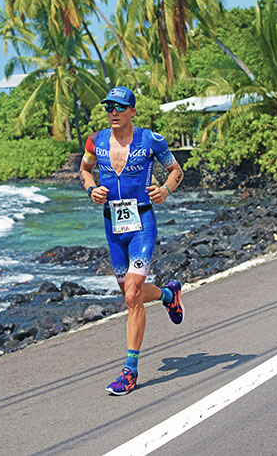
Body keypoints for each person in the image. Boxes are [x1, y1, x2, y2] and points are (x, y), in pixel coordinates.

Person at [80, 86, 185, 395]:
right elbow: (85, 170)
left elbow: (175, 170)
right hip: (113, 225)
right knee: (129, 293)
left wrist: (165, 190)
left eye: (120, 107)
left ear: (132, 111)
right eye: (109, 107)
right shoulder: (95, 141)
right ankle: (169, 295)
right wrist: (91, 189)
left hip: (142, 223)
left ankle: (129, 371)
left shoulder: (151, 140)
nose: (113, 112)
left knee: (132, 294)